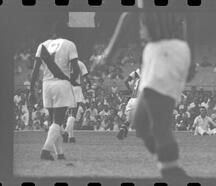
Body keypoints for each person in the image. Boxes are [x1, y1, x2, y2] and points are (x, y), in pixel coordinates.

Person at [91, 0, 195, 180]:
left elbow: (129, 16)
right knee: (140, 122)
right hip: (158, 51)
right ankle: (172, 169)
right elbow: (183, 20)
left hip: (165, 50)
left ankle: (173, 174)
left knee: (160, 126)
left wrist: (106, 57)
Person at [29, 21, 80, 160]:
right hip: (61, 83)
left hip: (46, 85)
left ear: (53, 32)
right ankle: (46, 150)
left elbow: (35, 71)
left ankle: (60, 154)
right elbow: (76, 69)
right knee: (58, 121)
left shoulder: (42, 45)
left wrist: (31, 90)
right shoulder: (69, 44)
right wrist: (72, 80)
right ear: (65, 32)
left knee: (53, 122)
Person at [63, 60, 88, 143]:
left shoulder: (65, 63)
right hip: (76, 88)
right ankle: (66, 131)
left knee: (70, 112)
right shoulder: (80, 63)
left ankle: (71, 136)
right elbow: (85, 77)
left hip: (67, 88)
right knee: (73, 113)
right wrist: (88, 85)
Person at [117, 68, 140, 140]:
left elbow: (126, 81)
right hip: (139, 100)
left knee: (128, 120)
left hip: (131, 100)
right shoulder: (148, 75)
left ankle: (123, 129)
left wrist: (130, 90)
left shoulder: (137, 72)